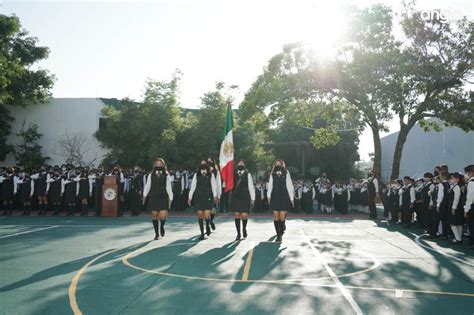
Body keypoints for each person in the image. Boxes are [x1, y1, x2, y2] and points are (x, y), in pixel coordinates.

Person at [143, 158, 173, 240]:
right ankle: (156, 234)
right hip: (153, 197)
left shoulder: (167, 175)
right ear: (155, 165)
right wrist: (144, 196)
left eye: (160, 164)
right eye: (157, 164)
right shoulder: (150, 175)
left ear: (163, 165)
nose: (158, 165)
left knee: (163, 216)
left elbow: (169, 188)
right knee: (154, 215)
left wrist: (170, 198)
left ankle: (162, 227)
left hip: (163, 198)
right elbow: (147, 186)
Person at [188, 160, 218, 240]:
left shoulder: (211, 175)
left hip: (208, 196)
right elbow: (193, 187)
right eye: (202, 163)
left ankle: (208, 225)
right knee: (200, 215)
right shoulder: (196, 175)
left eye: (205, 163)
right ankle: (202, 233)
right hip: (198, 197)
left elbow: (214, 186)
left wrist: (215, 196)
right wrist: (190, 197)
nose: (203, 165)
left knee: (207, 214)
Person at [267, 160, 294, 242]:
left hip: (284, 196)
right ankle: (279, 235)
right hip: (275, 196)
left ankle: (281, 229)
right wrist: (268, 196)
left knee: (282, 217)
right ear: (274, 165)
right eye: (276, 164)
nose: (278, 165)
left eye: (279, 164)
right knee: (276, 216)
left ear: (282, 165)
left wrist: (291, 198)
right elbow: (270, 186)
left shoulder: (286, 173)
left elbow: (289, 185)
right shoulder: (272, 174)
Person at [229, 160, 255, 240]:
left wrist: (253, 198)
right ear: (237, 165)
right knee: (237, 215)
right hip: (236, 197)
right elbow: (229, 184)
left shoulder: (248, 174)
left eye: (242, 163)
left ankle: (244, 229)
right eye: (239, 163)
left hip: (245, 196)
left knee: (244, 216)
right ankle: (238, 233)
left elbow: (251, 186)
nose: (240, 164)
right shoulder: (233, 174)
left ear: (244, 165)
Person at [448, 173, 465, 245]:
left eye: (452, 178)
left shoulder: (457, 187)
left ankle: (458, 239)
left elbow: (456, 198)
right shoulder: (454, 187)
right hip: (458, 207)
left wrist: (453, 207)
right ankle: (459, 238)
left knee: (452, 223)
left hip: (455, 207)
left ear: (457, 179)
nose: (451, 180)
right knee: (458, 223)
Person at [207, 157, 222, 231]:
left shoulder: (216, 171)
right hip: (206, 192)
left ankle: (211, 221)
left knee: (213, 209)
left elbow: (218, 183)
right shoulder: (204, 170)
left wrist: (219, 194)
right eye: (208, 160)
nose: (209, 161)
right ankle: (207, 224)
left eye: (210, 160)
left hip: (214, 193)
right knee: (206, 209)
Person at [463, 165, 474, 249]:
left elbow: (470, 197)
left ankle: (472, 243)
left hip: (472, 207)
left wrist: (466, 210)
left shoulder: (471, 183)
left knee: (471, 226)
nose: (466, 174)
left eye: (466, 172)